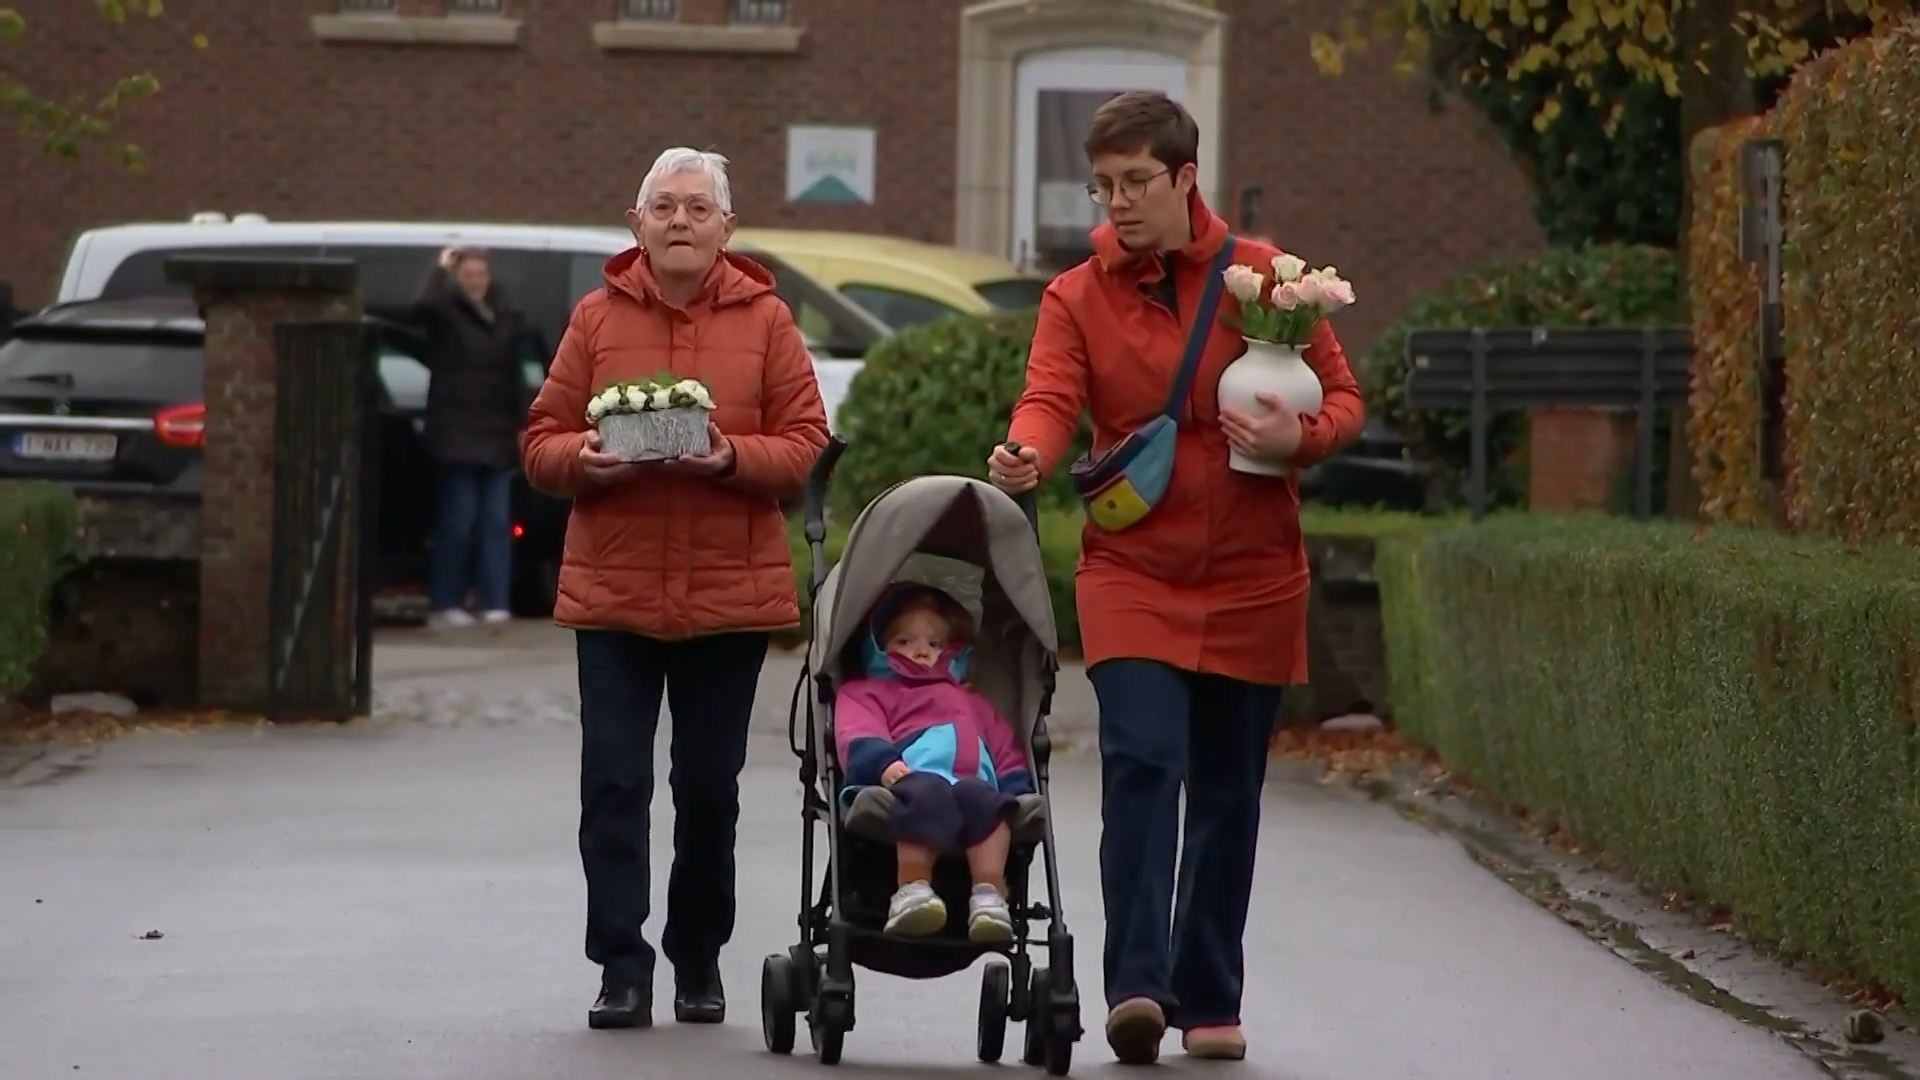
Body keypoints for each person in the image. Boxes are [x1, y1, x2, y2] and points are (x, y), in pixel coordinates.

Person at [987, 92, 1365, 1065]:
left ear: (1185, 177)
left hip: (1254, 575)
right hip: (1133, 572)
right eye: (1102, 185)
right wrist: (1027, 453)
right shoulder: (1077, 296)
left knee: (1229, 791)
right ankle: (1139, 988)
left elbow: (1344, 401)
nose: (1116, 202)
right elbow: (1050, 397)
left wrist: (1298, 436)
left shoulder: (1268, 279)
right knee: (1144, 765)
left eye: (1134, 182)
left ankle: (1210, 998)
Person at [521, 147, 830, 1030]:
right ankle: (621, 966)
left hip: (728, 600)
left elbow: (806, 443)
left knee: (707, 792)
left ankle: (697, 957)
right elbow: (541, 438)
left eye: (698, 208)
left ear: (727, 227)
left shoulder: (768, 320)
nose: (681, 222)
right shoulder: (595, 317)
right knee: (613, 787)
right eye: (665, 207)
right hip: (615, 594)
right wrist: (578, 459)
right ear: (637, 224)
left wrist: (732, 456)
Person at [832, 584, 1034, 942]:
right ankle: (912, 888)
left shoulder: (973, 702)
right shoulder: (869, 692)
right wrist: (884, 764)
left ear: (952, 649)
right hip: (908, 779)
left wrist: (1017, 785)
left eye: (934, 642)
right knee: (927, 792)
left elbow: (1005, 750)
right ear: (878, 646)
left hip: (974, 786)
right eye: (904, 641)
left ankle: (989, 894)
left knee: (991, 804)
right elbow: (858, 731)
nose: (921, 650)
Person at [413, 246, 528, 629]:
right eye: (468, 275)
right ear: (457, 279)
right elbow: (423, 307)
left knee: (496, 522)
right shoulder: (446, 316)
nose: (475, 281)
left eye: (480, 274)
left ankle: (495, 600)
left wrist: (524, 424)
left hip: (497, 432)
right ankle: (446, 602)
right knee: (458, 521)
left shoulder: (505, 317)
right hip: (455, 433)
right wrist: (441, 267)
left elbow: (513, 375)